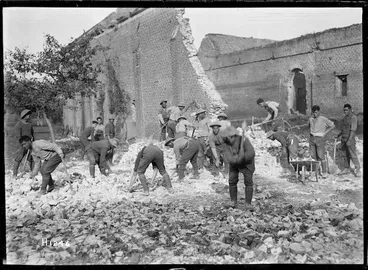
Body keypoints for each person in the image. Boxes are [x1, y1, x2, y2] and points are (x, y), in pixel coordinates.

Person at [222, 126, 255, 209]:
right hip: (234, 164)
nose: (229, 138)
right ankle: (233, 201)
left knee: (248, 182)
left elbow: (251, 153)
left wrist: (243, 157)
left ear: (235, 135)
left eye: (231, 136)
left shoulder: (244, 140)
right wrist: (236, 159)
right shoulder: (225, 143)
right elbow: (229, 158)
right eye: (228, 137)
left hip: (247, 164)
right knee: (232, 181)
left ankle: (248, 203)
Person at [298, 105, 335, 178]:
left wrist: (325, 133)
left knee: (321, 156)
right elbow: (307, 125)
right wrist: (300, 127)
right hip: (312, 138)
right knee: (313, 156)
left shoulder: (323, 119)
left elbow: (332, 126)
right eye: (313, 113)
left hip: (320, 139)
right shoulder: (311, 119)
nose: (314, 114)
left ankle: (324, 172)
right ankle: (316, 172)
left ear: (319, 111)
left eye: (316, 112)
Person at [336, 104, 361, 177]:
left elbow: (353, 130)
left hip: (349, 139)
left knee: (352, 154)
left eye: (346, 110)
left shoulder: (353, 118)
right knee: (344, 154)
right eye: (344, 110)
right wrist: (338, 135)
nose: (345, 111)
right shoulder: (344, 118)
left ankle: (358, 169)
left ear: (350, 110)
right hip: (343, 139)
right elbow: (343, 129)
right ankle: (346, 168)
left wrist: (349, 140)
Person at [12, 109, 35, 178]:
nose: (29, 115)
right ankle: (14, 174)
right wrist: (23, 145)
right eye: (28, 114)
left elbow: (32, 134)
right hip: (22, 145)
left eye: (29, 114)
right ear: (24, 116)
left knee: (31, 159)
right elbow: (17, 136)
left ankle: (33, 173)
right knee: (18, 159)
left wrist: (32, 142)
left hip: (30, 144)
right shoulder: (19, 125)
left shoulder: (30, 124)